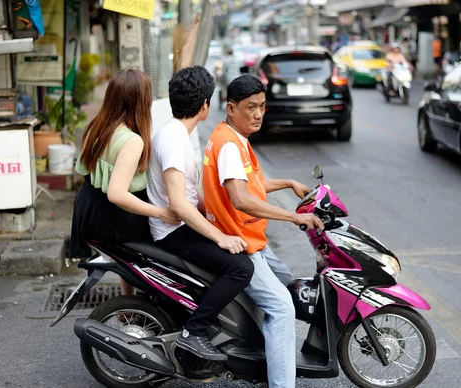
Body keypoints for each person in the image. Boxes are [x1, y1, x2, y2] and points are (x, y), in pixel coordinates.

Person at [202, 74, 324, 388]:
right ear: (230, 108)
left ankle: (260, 348)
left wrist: (288, 183)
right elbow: (241, 199)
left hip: (253, 240)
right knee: (282, 307)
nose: (258, 114)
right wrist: (292, 217)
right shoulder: (230, 146)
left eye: (262, 107)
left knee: (286, 281)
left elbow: (249, 185)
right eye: (250, 107)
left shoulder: (232, 137)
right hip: (240, 242)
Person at [147, 66, 254, 361]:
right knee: (241, 268)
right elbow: (180, 204)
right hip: (172, 232)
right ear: (205, 105)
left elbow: (194, 197)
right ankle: (193, 332)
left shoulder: (179, 134)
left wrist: (223, 216)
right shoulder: (172, 139)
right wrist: (220, 236)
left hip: (181, 225)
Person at [70, 69, 180, 296]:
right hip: (108, 216)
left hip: (88, 209)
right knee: (164, 238)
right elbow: (117, 194)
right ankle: (153, 300)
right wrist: (160, 212)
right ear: (142, 101)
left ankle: (128, 301)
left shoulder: (98, 125)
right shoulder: (132, 140)